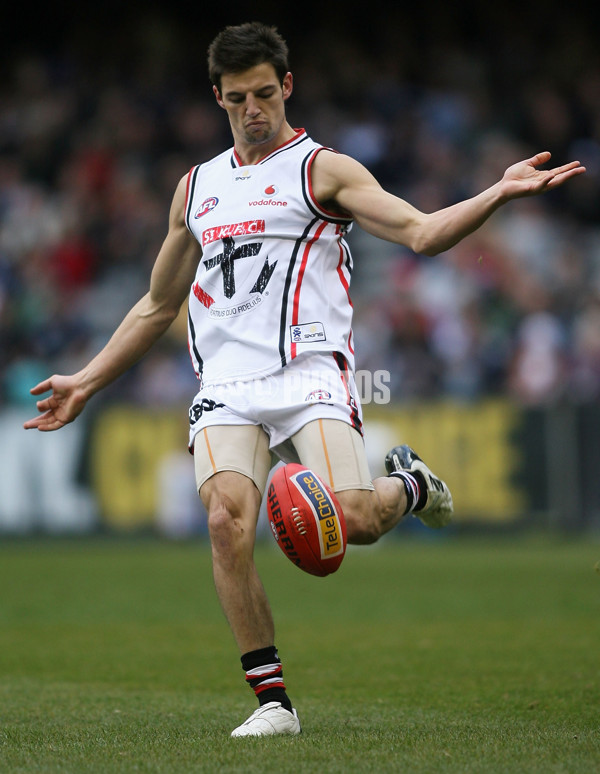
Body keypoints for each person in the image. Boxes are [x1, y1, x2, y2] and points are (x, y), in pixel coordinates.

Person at [24, 22, 586, 737]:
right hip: (227, 381)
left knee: (352, 523)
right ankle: (273, 704)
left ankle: (410, 485)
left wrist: (497, 193)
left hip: (309, 373)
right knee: (227, 518)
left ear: (286, 86)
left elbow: (420, 231)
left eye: (264, 93)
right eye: (237, 99)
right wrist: (87, 380)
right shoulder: (195, 188)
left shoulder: (323, 170)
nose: (252, 109)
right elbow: (157, 304)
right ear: (218, 99)